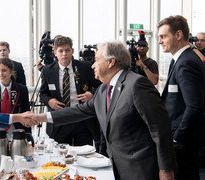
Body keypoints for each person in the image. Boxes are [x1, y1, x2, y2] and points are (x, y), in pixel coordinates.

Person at [26, 41, 175, 180]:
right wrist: (41, 117)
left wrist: (166, 169)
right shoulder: (104, 89)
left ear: (111, 62)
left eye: (97, 60)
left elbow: (160, 129)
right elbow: (79, 111)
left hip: (142, 168)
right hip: (117, 167)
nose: (92, 65)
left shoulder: (136, 84)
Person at [158, 15, 205, 180]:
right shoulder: (181, 60)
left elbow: (194, 106)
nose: (159, 41)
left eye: (163, 36)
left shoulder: (186, 62)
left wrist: (177, 139)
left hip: (184, 143)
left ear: (178, 35)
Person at [39, 35, 101, 146]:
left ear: (72, 51)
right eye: (60, 51)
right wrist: (49, 101)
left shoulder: (85, 67)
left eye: (67, 50)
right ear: (55, 52)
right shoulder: (47, 70)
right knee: (59, 157)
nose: (64, 54)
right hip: (59, 121)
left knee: (84, 156)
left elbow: (101, 87)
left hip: (82, 120)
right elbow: (42, 94)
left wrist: (92, 94)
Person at [0, 57, 31, 138]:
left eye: (4, 70)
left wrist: (28, 137)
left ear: (11, 71)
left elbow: (26, 111)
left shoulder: (22, 89)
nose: (0, 74)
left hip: (16, 132)